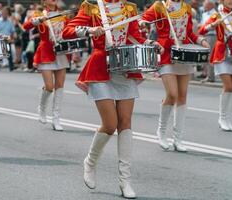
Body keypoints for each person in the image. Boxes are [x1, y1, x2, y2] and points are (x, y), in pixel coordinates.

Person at [62, 0, 162, 198]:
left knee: (125, 123)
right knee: (109, 124)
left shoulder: (129, 8)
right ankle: (90, 162)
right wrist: (90, 30)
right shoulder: (91, 6)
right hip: (101, 67)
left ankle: (125, 181)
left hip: (125, 67)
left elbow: (135, 37)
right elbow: (67, 31)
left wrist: (151, 43)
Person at [140, 0, 210, 152]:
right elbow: (143, 19)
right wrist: (143, 23)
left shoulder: (186, 8)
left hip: (184, 53)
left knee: (182, 96)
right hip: (166, 53)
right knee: (172, 94)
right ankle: (161, 132)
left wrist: (201, 40)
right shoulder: (159, 6)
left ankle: (178, 139)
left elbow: (190, 33)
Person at [23, 0, 69, 131]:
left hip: (61, 52)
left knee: (59, 87)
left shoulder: (63, 15)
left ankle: (56, 118)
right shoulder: (38, 13)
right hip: (46, 52)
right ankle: (42, 108)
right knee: (49, 87)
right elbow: (25, 26)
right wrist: (38, 20)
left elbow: (70, 31)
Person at [199, 0, 232, 132]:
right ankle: (222, 118)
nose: (231, 1)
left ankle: (228, 118)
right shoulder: (218, 15)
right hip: (222, 53)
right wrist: (213, 25)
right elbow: (202, 30)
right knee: (228, 86)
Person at [0, 6, 15, 71]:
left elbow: (12, 31)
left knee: (9, 53)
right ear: (2, 14)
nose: (5, 14)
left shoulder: (10, 22)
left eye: (6, 13)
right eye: (4, 13)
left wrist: (12, 38)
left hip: (7, 39)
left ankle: (11, 67)